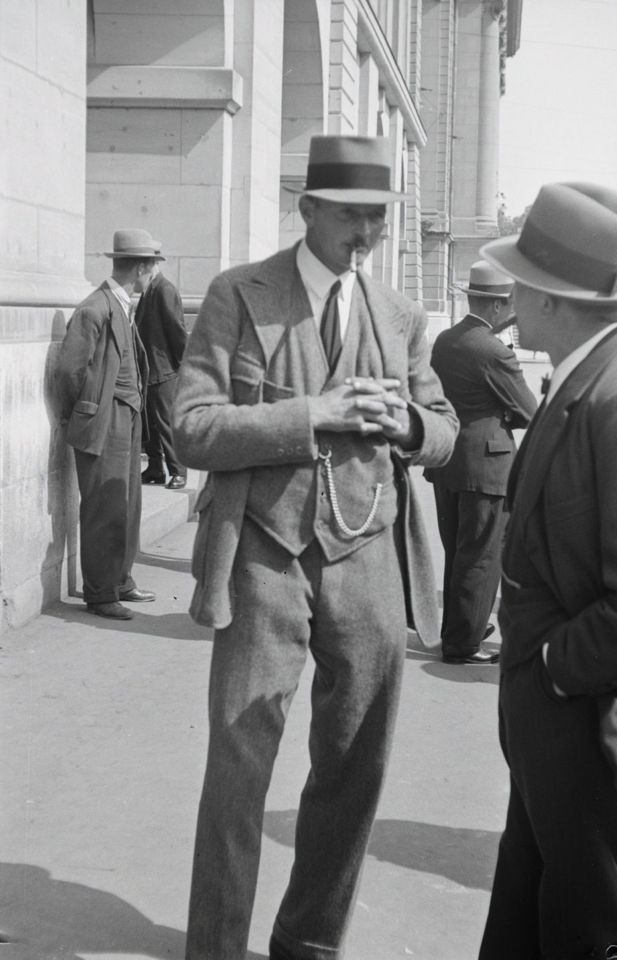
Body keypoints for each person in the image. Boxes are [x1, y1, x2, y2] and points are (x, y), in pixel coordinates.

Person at [172, 135, 458, 960]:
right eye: (350, 216)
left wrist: (407, 423)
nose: (366, 234)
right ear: (307, 209)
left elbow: (444, 432)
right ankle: (216, 947)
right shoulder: (238, 294)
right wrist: (314, 414)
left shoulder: (400, 315)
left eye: (377, 218)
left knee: (355, 765)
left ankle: (309, 943)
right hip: (264, 555)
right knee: (239, 763)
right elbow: (192, 427)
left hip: (369, 558)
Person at [476, 182, 617, 959]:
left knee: (589, 929)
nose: (509, 298)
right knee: (533, 915)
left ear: (549, 296)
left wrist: (551, 669)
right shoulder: (593, 370)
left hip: (585, 717)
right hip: (556, 721)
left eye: (519, 280)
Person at [426, 261, 537, 665]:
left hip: (447, 459)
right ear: (496, 306)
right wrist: (503, 414)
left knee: (457, 551)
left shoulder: (446, 340)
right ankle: (463, 644)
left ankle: (459, 628)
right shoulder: (494, 351)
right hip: (487, 467)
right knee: (481, 556)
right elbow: (529, 411)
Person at [57, 228, 160, 621]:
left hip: (127, 416)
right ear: (141, 268)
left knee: (127, 500)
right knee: (105, 504)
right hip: (105, 418)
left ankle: (120, 580)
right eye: (152, 267)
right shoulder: (95, 308)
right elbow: (70, 370)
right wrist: (84, 410)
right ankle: (100, 593)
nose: (153, 276)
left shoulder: (120, 304)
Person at [135, 259, 188, 489]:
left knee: (166, 423)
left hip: (164, 369)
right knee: (150, 423)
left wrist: (183, 363)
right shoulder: (150, 289)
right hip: (151, 368)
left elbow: (177, 330)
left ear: (150, 266)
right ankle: (155, 468)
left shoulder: (164, 289)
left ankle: (178, 471)